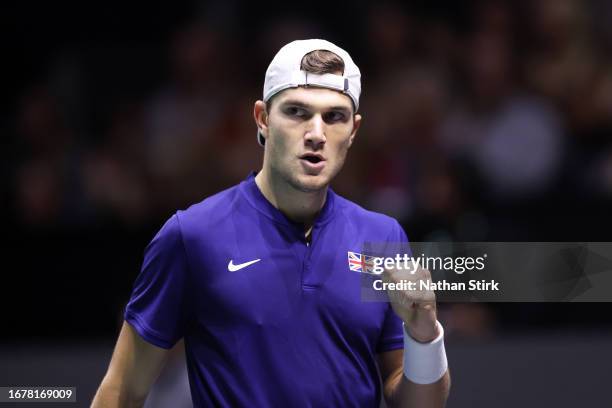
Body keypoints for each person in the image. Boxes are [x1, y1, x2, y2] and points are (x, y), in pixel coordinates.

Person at [92, 39, 450, 407]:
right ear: (262, 119)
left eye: (334, 116)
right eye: (296, 112)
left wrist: (425, 334)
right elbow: (122, 391)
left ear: (354, 130)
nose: (316, 133)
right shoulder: (192, 235)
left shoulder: (383, 237)